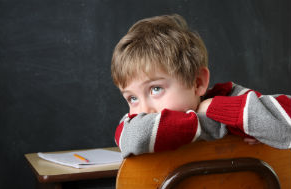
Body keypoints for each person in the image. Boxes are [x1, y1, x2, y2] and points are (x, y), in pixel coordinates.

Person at [111, 14, 291, 158]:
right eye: (132, 98)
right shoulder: (134, 124)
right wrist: (216, 123)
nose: (143, 110)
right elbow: (132, 137)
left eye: (156, 89)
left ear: (197, 82)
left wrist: (216, 108)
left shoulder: (230, 98)